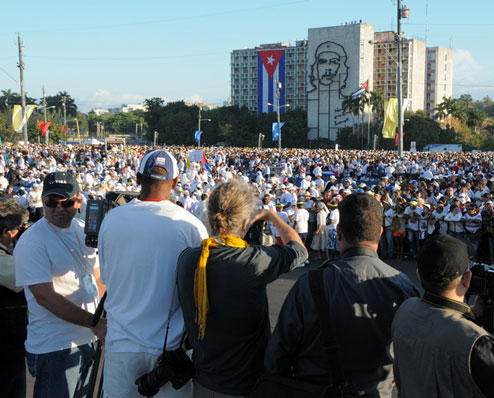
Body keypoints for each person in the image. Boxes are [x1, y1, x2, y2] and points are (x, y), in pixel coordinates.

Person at [264, 193, 420, 397]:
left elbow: (278, 354)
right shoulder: (404, 286)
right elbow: (413, 354)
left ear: (338, 233)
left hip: (316, 389)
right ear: (380, 233)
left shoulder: (310, 283)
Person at [177, 179, 307, 397]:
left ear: (209, 216)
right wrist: (272, 216)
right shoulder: (255, 260)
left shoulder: (189, 259)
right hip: (248, 384)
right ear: (246, 223)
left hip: (203, 382)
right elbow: (299, 250)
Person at [99, 149, 209, 397]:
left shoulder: (111, 220)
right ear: (176, 182)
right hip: (170, 350)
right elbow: (199, 290)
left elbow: (106, 278)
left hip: (122, 345)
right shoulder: (191, 225)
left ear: (138, 178)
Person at [392, 234, 494, 397]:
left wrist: (472, 314)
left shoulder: (405, 310)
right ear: (467, 279)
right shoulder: (477, 344)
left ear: (418, 274)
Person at [14, 172, 105, 398]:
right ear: (43, 201)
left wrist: (102, 318)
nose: (58, 208)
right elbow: (45, 296)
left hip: (88, 338)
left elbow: (97, 276)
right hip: (55, 346)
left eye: (66, 202)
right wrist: (94, 322)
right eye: (51, 202)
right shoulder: (32, 240)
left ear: (78, 201)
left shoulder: (84, 228)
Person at [0, 197, 30, 398]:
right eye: (18, 229)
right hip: (6, 348)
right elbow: (30, 279)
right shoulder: (4, 263)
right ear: (6, 233)